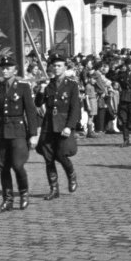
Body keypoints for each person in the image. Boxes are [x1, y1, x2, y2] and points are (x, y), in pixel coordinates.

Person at [0, 56, 39, 212]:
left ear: (15, 70)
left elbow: (31, 111)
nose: (5, 70)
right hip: (1, 132)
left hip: (18, 130)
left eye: (8, 68)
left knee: (18, 165)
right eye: (3, 68)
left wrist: (33, 134)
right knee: (3, 166)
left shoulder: (23, 87)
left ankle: (24, 193)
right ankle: (7, 200)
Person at [35, 53, 81, 200]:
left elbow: (75, 108)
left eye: (59, 65)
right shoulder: (48, 84)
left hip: (63, 124)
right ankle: (54, 189)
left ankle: (71, 174)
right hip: (49, 124)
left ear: (65, 68)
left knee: (61, 154)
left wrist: (69, 126)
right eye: (54, 66)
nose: (56, 68)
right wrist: (41, 91)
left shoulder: (72, 85)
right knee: (48, 158)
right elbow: (37, 103)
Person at [114, 57, 131, 147]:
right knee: (124, 120)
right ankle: (126, 140)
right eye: (129, 64)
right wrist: (119, 66)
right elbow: (112, 76)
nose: (130, 66)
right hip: (124, 98)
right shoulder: (122, 74)